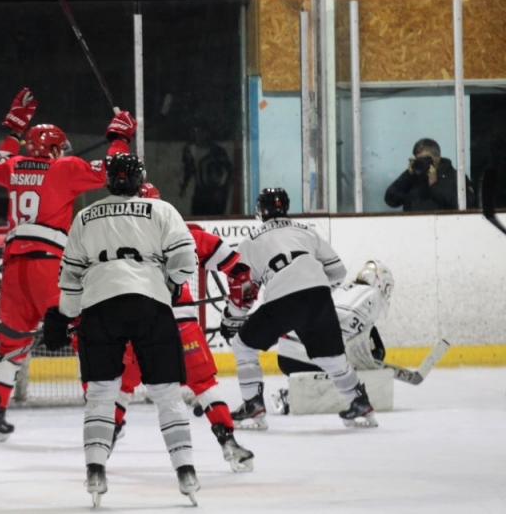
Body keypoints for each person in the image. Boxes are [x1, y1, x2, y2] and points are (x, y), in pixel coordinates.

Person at [42, 154, 201, 507]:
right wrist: (171, 286)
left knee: (101, 393)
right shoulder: (162, 211)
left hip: (100, 305)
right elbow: (186, 259)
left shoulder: (85, 215)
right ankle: (186, 471)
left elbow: (69, 277)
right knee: (167, 395)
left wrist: (65, 316)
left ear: (108, 180)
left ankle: (95, 471)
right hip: (151, 304)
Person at [0, 87, 136, 442]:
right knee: (84, 334)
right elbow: (115, 171)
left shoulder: (14, 168)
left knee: (13, 341)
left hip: (13, 269)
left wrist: (13, 129)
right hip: (48, 266)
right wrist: (118, 137)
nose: (64, 152)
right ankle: (104, 416)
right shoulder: (64, 169)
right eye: (61, 147)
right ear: (52, 149)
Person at [109, 181, 254, 473]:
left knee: (121, 387)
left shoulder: (113, 240)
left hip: (135, 326)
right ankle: (229, 443)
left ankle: (101, 449)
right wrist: (239, 299)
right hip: (180, 324)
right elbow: (239, 269)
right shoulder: (184, 233)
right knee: (204, 385)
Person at [220, 187, 378, 429]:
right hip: (319, 296)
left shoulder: (251, 240)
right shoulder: (306, 231)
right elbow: (338, 273)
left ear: (261, 210)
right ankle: (359, 402)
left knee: (243, 345)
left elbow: (244, 292)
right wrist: (314, 290)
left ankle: (252, 405)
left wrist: (231, 319)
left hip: (283, 299)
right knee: (332, 358)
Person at [271, 260, 394, 414]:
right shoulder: (372, 295)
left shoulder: (343, 289)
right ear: (380, 282)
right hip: (306, 355)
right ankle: (290, 398)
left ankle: (290, 394)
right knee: (347, 375)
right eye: (387, 287)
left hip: (286, 355)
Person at [384, 138, 475, 211]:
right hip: (414, 228)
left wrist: (436, 186)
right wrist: (408, 175)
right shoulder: (413, 177)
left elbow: (467, 206)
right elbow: (391, 201)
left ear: (437, 158)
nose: (422, 162)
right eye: (418, 159)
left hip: (446, 228)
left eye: (425, 158)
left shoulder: (455, 177)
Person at [179, 119, 232, 215]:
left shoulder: (218, 152)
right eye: (197, 131)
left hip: (214, 193)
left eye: (203, 131)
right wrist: (183, 186)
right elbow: (187, 170)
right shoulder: (189, 151)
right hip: (199, 192)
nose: (200, 135)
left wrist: (220, 190)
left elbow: (226, 172)